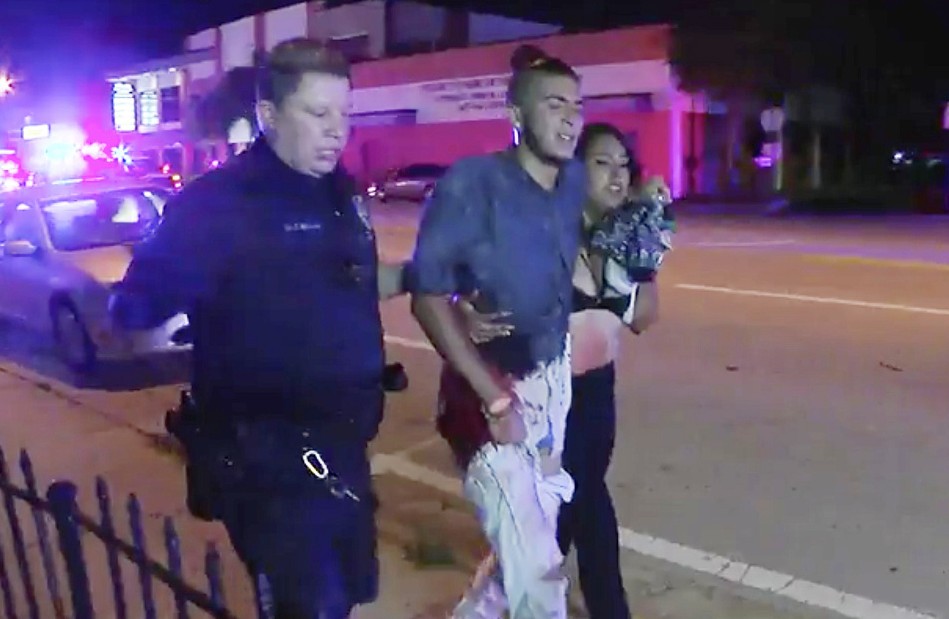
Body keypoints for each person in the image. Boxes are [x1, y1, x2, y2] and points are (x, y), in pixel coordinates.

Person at [109, 38, 409, 619]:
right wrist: (179, 288)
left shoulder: (339, 194)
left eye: (344, 113)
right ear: (268, 117)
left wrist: (434, 281)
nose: (336, 130)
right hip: (266, 463)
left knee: (351, 594)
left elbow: (354, 281)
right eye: (317, 114)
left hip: (341, 449)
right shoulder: (217, 205)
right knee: (310, 606)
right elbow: (133, 311)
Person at [457, 123, 673, 618]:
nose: (617, 174)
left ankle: (489, 605)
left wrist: (647, 263)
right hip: (546, 398)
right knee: (585, 509)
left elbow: (641, 319)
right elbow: (467, 279)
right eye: (602, 162)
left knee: (562, 519)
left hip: (598, 394)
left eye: (624, 163)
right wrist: (468, 309)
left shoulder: (624, 236)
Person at [408, 44, 586, 619]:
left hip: (552, 381)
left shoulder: (573, 181)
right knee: (537, 571)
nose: (570, 119)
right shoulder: (472, 183)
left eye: (576, 107)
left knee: (528, 543)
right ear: (516, 117)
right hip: (489, 389)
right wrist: (494, 394)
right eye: (554, 105)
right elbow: (426, 294)